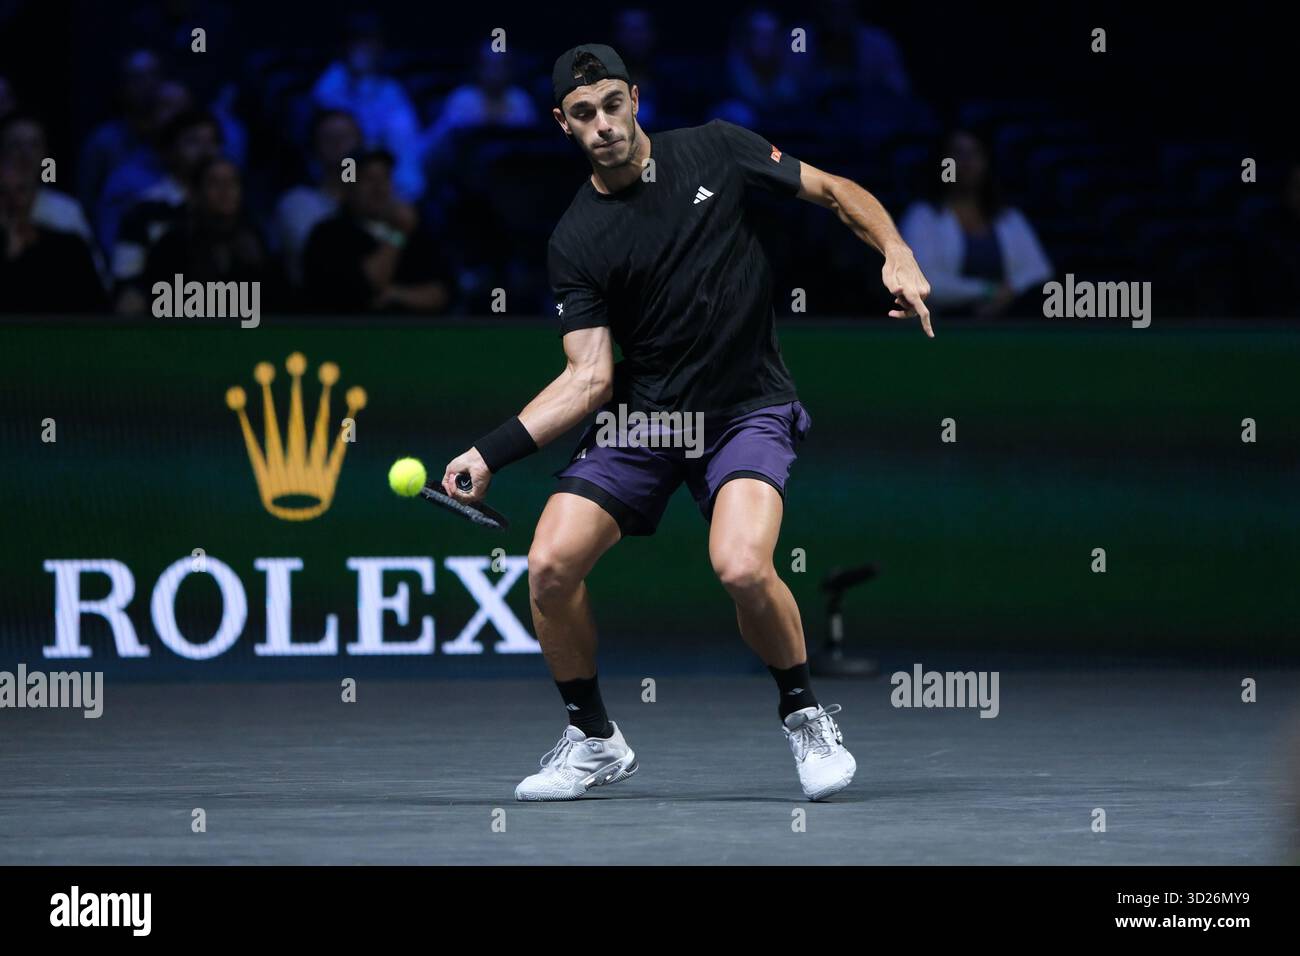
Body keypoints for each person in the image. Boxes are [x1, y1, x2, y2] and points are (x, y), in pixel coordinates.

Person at [440, 44, 932, 802]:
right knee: (549, 565)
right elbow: (591, 377)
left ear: (635, 98)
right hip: (645, 420)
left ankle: (804, 714)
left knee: (740, 565)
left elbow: (835, 191)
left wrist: (895, 250)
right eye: (582, 114)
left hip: (745, 408)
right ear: (561, 125)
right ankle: (595, 739)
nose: (602, 124)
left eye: (611, 104)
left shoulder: (717, 148)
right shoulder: (575, 239)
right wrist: (490, 451)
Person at [900, 129, 1053, 317]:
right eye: (957, 153)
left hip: (1008, 325)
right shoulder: (922, 216)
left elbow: (1039, 271)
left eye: (975, 153)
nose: (966, 162)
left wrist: (1009, 292)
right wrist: (988, 291)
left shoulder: (1009, 217)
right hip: (942, 326)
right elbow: (922, 283)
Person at [300, 149, 449, 313]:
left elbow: (442, 292)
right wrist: (397, 234)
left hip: (416, 334)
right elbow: (365, 288)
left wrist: (396, 294)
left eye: (384, 178)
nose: (379, 188)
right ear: (348, 187)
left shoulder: (415, 230)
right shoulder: (329, 235)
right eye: (367, 179)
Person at [0, 159, 106, 313]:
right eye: (2, 192)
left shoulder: (70, 248)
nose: (13, 201)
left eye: (21, 190)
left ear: (34, 194)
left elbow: (97, 311)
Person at [274, 109, 362, 286]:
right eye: (329, 138)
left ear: (360, 144)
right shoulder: (297, 203)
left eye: (346, 137)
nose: (339, 144)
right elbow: (324, 262)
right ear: (315, 148)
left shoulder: (376, 200)